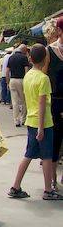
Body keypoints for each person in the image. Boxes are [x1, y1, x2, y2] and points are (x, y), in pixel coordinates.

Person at [8, 44, 63, 200]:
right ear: (46, 59)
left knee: (28, 155)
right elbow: (42, 104)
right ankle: (48, 190)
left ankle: (15, 186)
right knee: (46, 156)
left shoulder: (29, 76)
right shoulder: (44, 79)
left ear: (30, 58)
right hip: (43, 123)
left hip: (31, 120)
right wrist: (41, 128)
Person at [43, 18, 63, 189]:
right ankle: (53, 179)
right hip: (55, 101)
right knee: (55, 140)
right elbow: (43, 76)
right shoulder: (49, 50)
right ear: (59, 31)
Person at [7, 44, 30, 126]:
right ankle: (23, 119)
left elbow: (7, 71)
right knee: (24, 101)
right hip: (21, 80)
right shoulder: (24, 58)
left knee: (15, 102)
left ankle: (16, 121)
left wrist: (7, 82)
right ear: (23, 50)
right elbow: (26, 70)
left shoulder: (11, 57)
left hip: (12, 80)